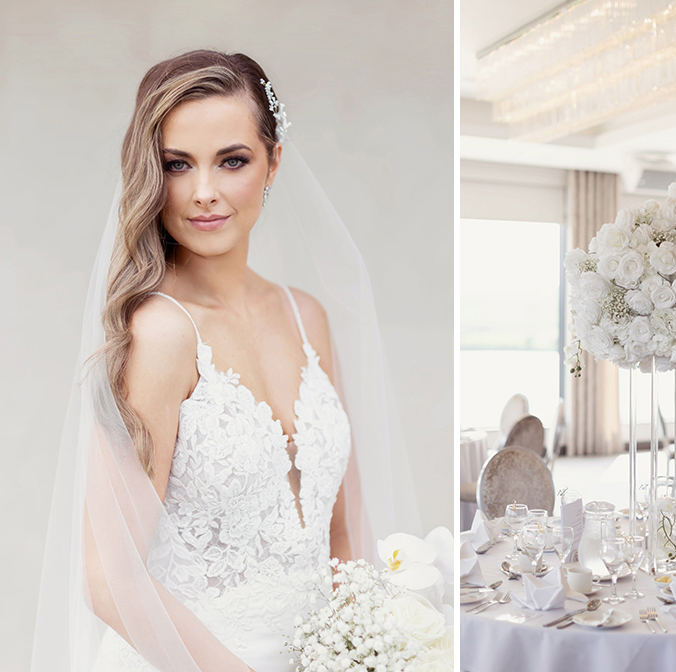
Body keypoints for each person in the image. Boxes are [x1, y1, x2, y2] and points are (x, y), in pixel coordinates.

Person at [31, 50, 420, 672]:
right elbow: (110, 578)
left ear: (273, 164)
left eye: (232, 160)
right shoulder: (160, 335)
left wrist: (367, 649)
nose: (204, 193)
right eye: (177, 165)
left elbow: (340, 531)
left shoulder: (305, 316)